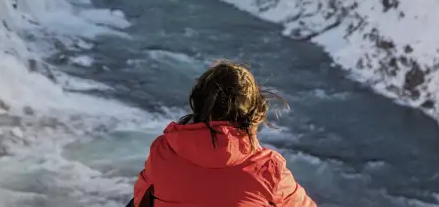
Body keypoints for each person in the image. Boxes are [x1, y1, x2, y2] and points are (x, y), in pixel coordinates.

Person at [132, 60, 316, 207]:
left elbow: (141, 201)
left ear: (197, 104)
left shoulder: (164, 150)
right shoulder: (269, 169)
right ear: (254, 112)